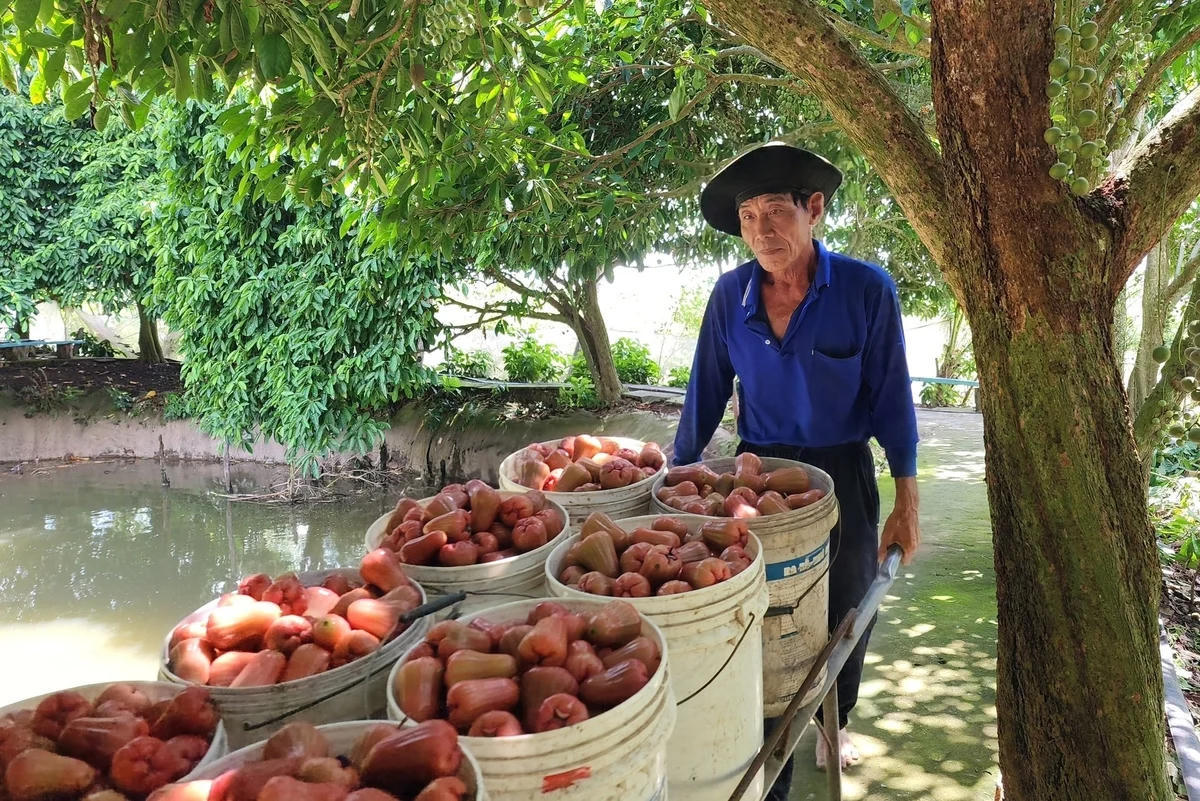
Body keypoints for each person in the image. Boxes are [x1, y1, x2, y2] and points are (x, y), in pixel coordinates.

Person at [672, 143, 921, 794]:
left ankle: (834, 724)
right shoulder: (730, 297)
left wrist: (906, 501)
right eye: (749, 216)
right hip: (757, 481)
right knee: (766, 625)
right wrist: (671, 478)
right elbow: (703, 394)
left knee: (847, 618)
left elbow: (894, 402)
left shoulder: (868, 291)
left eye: (776, 210)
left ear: (815, 209)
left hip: (845, 476)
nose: (761, 230)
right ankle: (771, 758)